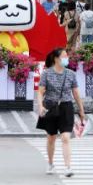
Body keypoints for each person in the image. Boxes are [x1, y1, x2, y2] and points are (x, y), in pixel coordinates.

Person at [37, 47, 87, 177]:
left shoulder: (71, 74)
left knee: (66, 137)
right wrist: (40, 106)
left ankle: (68, 167)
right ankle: (50, 163)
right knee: (51, 138)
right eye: (64, 57)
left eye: (67, 56)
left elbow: (76, 93)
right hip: (50, 107)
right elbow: (40, 91)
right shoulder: (46, 74)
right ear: (56, 59)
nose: (66, 59)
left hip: (66, 107)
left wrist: (81, 110)